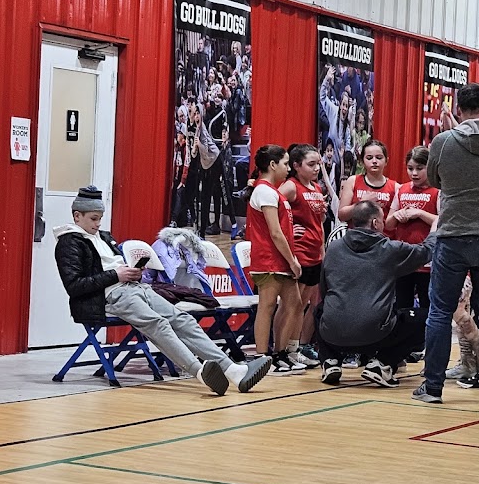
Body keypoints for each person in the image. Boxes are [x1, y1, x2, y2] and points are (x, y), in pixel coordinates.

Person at [54, 186, 270, 394]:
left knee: (183, 319)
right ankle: (200, 371)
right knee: (158, 324)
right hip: (109, 296)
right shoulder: (68, 243)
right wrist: (116, 275)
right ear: (77, 216)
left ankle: (233, 371)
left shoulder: (103, 237)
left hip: (135, 288)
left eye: (100, 218)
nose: (98, 223)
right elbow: (74, 286)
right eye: (94, 218)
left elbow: (114, 268)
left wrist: (133, 272)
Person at [414, 82, 479, 405]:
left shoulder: (443, 142)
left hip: (454, 236)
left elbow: (435, 180)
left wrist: (449, 137)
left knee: (440, 312)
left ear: (459, 109)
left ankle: (433, 388)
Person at [317, 201, 437, 388]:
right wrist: (435, 229)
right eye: (382, 220)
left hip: (333, 336)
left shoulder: (333, 247)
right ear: (375, 223)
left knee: (320, 310)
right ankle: (382, 364)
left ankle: (330, 360)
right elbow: (426, 251)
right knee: (427, 317)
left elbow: (324, 290)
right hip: (374, 336)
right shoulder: (389, 249)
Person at [245, 145, 306, 374]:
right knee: (267, 306)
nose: (288, 169)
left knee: (295, 304)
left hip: (281, 260)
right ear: (272, 165)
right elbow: (275, 232)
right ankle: (261, 357)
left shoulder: (274, 192)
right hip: (268, 260)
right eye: (285, 164)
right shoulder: (263, 191)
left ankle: (280, 354)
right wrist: (293, 261)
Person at [279, 143, 328, 367]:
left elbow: (318, 222)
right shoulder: (291, 186)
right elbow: (269, 210)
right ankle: (280, 351)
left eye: (318, 163)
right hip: (298, 253)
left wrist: (322, 250)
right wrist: (289, 228)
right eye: (311, 164)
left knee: (304, 305)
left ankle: (294, 348)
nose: (317, 168)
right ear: (297, 166)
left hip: (314, 252)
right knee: (292, 305)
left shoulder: (316, 187)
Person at [385, 146, 439, 310]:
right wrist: (398, 215)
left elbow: (443, 222)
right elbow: (388, 224)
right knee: (402, 306)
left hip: (428, 262)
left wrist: (420, 214)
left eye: (419, 168)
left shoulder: (438, 191)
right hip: (404, 259)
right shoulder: (402, 189)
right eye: (410, 168)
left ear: (429, 167)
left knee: (427, 306)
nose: (414, 173)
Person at [338, 139, 397, 224]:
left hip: (383, 232)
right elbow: (341, 216)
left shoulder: (395, 187)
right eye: (369, 158)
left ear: (386, 161)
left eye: (379, 157)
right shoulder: (353, 181)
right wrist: (361, 203)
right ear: (362, 161)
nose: (374, 161)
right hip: (356, 232)